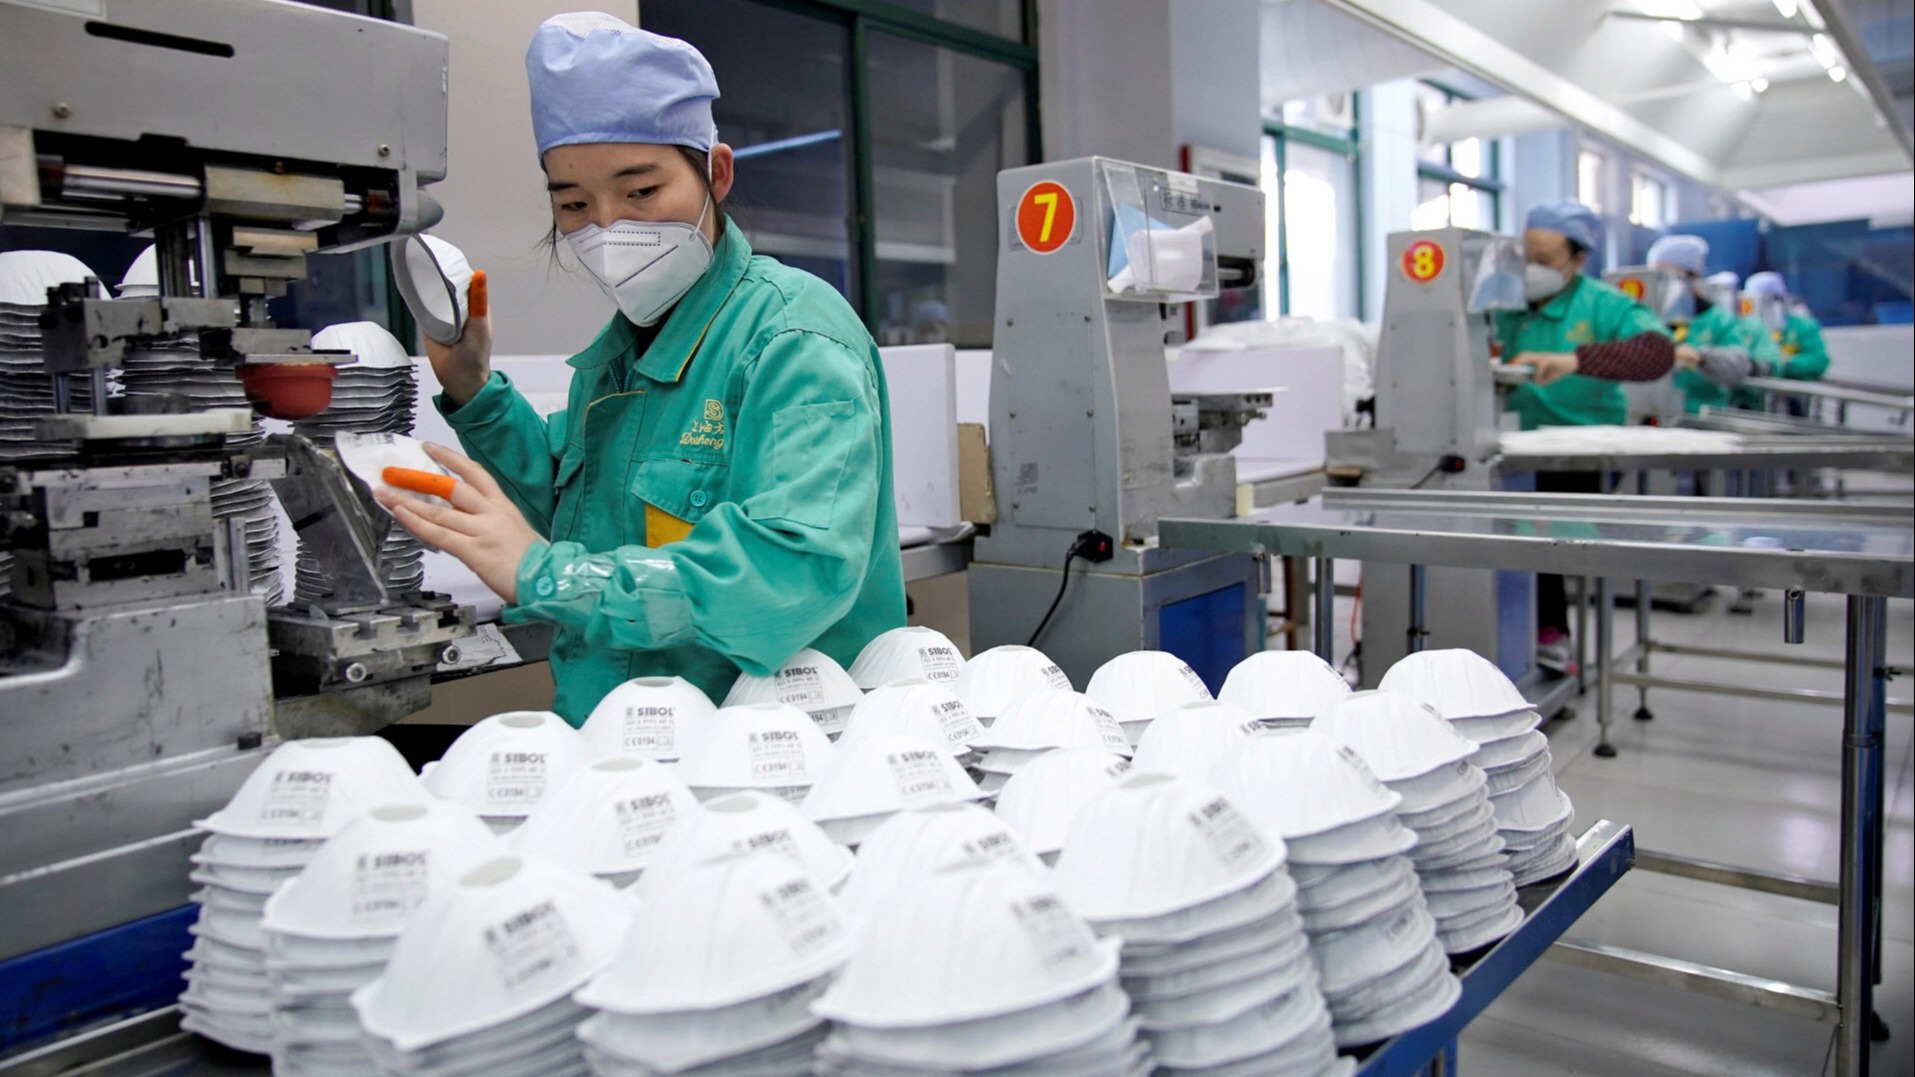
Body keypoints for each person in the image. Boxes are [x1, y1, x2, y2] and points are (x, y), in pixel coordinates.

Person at [382, 13, 906, 726]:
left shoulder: (793, 339)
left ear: (715, 174)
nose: (606, 227)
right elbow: (581, 514)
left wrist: (546, 574)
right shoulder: (615, 360)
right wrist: (473, 389)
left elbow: (790, 570)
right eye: (572, 203)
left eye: (641, 192)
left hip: (761, 757)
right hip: (619, 743)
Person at [1495, 200, 1678, 673]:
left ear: (1578, 259)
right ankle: (1499, 635)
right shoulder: (1505, 302)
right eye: (1527, 255)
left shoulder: (1603, 304)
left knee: (1546, 539)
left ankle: (1551, 634)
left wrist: (1577, 361)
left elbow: (1657, 353)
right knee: (1496, 538)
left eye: (1546, 259)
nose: (1533, 268)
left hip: (1578, 450)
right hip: (1509, 448)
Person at [1646, 234, 1783, 414]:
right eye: (1654, 276)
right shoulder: (1645, 317)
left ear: (1693, 275)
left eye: (1667, 276)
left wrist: (1702, 357)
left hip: (1702, 420)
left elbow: (1739, 363)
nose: (1661, 284)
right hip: (1648, 418)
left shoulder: (1718, 320)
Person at [1745, 270, 1830, 383]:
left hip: (1793, 393)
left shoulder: (1803, 326)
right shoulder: (1743, 328)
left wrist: (1784, 362)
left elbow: (1818, 361)